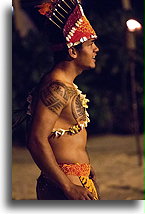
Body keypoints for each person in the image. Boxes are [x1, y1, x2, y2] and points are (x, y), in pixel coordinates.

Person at [27, 0, 100, 200]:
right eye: (90, 44)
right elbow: (36, 140)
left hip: (76, 181)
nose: (96, 49)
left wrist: (84, 169)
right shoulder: (56, 88)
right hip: (64, 187)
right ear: (72, 51)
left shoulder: (63, 86)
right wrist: (68, 187)